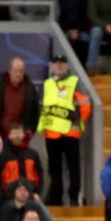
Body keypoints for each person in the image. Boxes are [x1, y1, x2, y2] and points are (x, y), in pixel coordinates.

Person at [36, 55, 90, 206]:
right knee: (54, 168)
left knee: (73, 167)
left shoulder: (74, 82)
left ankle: (73, 197)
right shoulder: (47, 84)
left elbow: (85, 104)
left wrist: (80, 119)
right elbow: (42, 107)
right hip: (52, 133)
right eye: (56, 64)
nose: (59, 66)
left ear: (67, 67)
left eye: (62, 64)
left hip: (70, 132)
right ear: (51, 66)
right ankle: (56, 197)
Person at [0, 57, 40, 137]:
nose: (18, 74)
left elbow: (35, 111)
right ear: (9, 71)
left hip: (20, 136)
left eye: (21, 71)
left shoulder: (29, 88)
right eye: (15, 71)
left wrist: (30, 130)